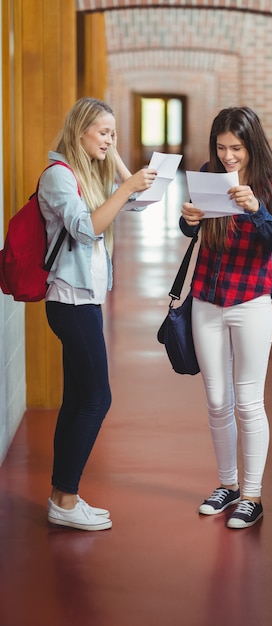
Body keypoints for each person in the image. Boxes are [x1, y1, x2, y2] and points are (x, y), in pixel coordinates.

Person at [38, 97, 157, 531]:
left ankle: (61, 495)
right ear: (80, 130)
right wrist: (124, 187)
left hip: (85, 301)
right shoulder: (58, 177)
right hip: (69, 303)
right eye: (103, 132)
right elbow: (87, 228)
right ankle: (66, 500)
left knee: (77, 400)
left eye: (113, 133)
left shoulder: (90, 174)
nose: (109, 139)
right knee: (97, 398)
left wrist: (119, 164)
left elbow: (141, 204)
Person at [180, 106, 272, 529]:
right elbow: (193, 230)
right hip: (207, 297)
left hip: (251, 301)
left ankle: (253, 495)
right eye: (223, 147)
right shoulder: (208, 174)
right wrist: (188, 220)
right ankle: (227, 486)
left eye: (237, 149)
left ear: (252, 145)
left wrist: (255, 208)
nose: (228, 156)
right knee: (216, 400)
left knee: (248, 401)